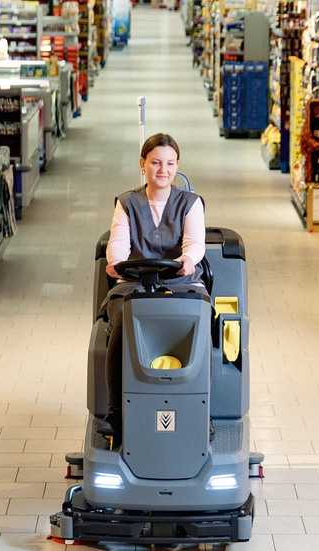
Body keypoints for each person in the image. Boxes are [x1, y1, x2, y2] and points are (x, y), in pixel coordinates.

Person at [97, 133, 207, 434]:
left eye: (170, 163)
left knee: (202, 330)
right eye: (156, 162)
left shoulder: (191, 203)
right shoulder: (126, 203)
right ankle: (116, 412)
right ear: (142, 165)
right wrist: (116, 262)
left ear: (177, 166)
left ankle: (204, 412)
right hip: (134, 283)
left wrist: (188, 258)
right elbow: (118, 243)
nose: (163, 170)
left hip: (181, 282)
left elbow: (195, 242)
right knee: (121, 326)